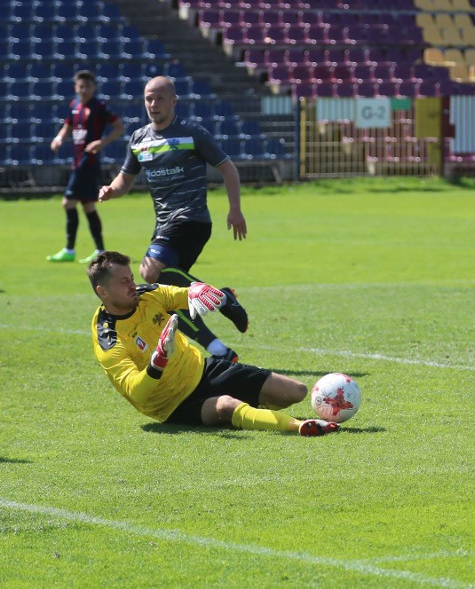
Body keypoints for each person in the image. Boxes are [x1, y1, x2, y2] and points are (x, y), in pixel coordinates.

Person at [87, 251, 339, 436]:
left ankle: (249, 413)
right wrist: (157, 364)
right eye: (124, 282)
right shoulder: (108, 339)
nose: (133, 285)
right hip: (172, 403)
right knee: (226, 406)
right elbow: (135, 391)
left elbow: (182, 294)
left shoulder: (147, 295)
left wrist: (197, 290)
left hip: (202, 369)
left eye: (131, 278)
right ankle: (298, 426)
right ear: (102, 292)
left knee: (295, 391)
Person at [98, 76, 248, 363]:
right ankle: (219, 349)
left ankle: (223, 300)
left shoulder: (192, 133)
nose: (153, 104)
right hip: (164, 224)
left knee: (149, 271)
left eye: (159, 98)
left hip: (192, 220)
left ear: (173, 101)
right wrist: (110, 190)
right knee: (168, 294)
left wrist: (235, 209)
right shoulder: (139, 139)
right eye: (148, 98)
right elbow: (124, 181)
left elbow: (228, 168)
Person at [47, 70, 125, 264]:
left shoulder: (99, 107)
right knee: (88, 205)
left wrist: (102, 142)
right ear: (76, 87)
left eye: (87, 86)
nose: (84, 90)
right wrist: (58, 138)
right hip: (78, 161)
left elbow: (120, 128)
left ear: (94, 87)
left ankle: (70, 249)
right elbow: (68, 125)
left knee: (68, 202)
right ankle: (100, 250)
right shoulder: (74, 104)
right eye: (80, 86)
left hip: (88, 162)